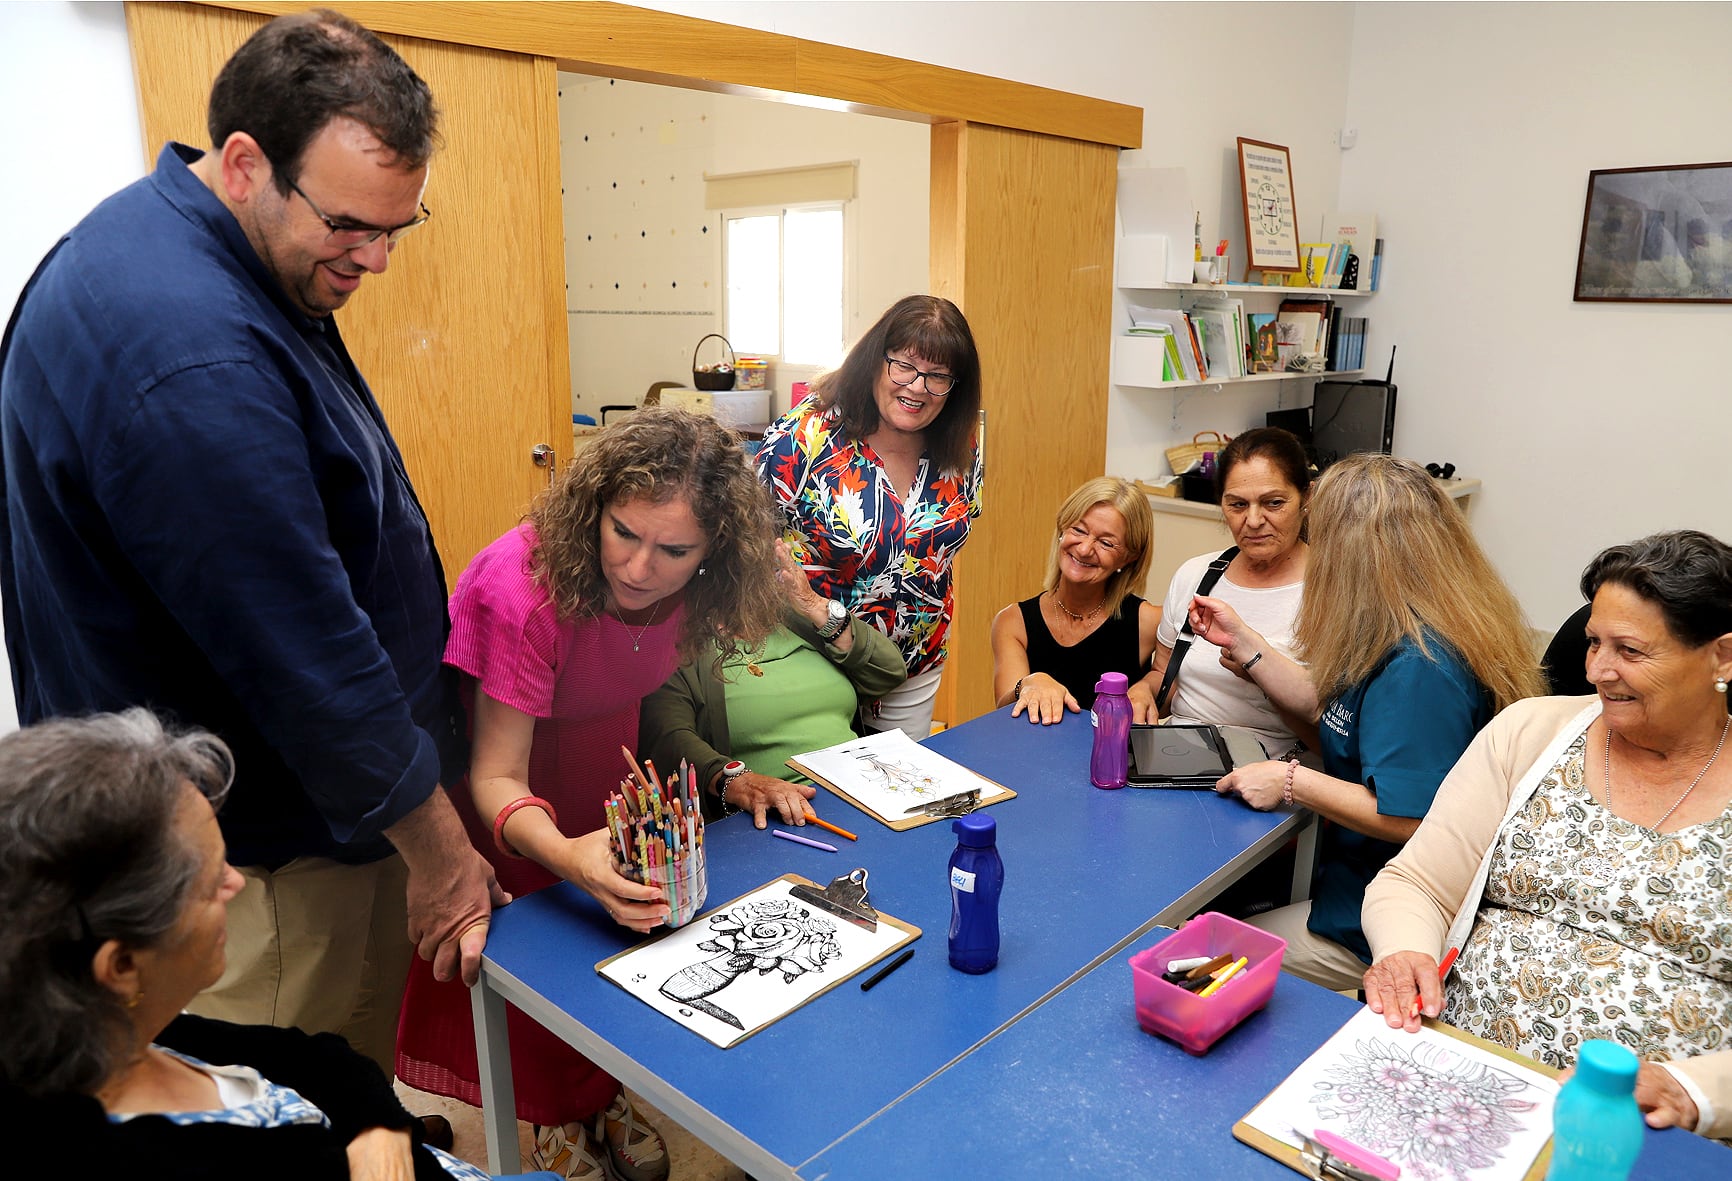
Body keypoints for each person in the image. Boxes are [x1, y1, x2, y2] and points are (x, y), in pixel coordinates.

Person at [0, 9, 501, 1075]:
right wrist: (443, 854)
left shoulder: (164, 243)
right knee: (301, 1097)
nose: (372, 258)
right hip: (271, 870)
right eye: (348, 225)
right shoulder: (189, 352)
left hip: (247, 826)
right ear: (242, 162)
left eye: (395, 229)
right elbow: (306, 651)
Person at [397, 407, 784, 1181]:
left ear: (716, 552)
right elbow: (496, 775)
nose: (640, 568)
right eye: (623, 533)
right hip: (512, 790)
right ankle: (550, 1117)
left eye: (674, 549)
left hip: (605, 766)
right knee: (539, 956)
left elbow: (641, 691)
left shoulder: (707, 592)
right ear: (594, 510)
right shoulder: (527, 590)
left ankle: (602, 1092)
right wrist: (568, 852)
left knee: (611, 947)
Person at [0, 709, 492, 1180]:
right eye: (209, 882)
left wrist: (379, 1128)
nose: (235, 883)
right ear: (123, 964)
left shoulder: (133, 1035)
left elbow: (320, 1056)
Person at [1362, 530, 1732, 1139]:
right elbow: (1418, 882)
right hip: (1451, 1076)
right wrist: (1405, 954)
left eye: (1631, 651)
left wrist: (1690, 1091)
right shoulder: (1530, 732)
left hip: (1638, 1134)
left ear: (1722, 657)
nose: (1598, 671)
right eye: (1593, 642)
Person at [1185, 454, 1543, 990]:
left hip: (1376, 928)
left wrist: (1291, 780)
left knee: (1192, 955)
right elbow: (1335, 716)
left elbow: (1415, 819)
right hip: (1345, 884)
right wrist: (1249, 648)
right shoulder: (1400, 628)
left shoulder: (1421, 670)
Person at [756, 295, 984, 741]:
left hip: (913, 667)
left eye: (938, 376)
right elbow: (745, 547)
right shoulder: (804, 437)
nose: (917, 387)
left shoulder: (963, 445)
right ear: (875, 359)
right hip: (812, 661)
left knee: (897, 798)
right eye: (904, 365)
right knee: (823, 799)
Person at [641, 537, 908, 821]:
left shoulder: (791, 615)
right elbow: (669, 738)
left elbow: (889, 672)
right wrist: (738, 782)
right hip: (791, 810)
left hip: (869, 786)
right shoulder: (676, 640)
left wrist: (814, 604)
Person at [1131, 428, 1314, 758]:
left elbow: (1335, 742)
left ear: (1307, 498)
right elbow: (1163, 673)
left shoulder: (1331, 591)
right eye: (1237, 505)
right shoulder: (1197, 576)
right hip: (1180, 759)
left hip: (1277, 771)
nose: (1254, 520)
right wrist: (1143, 690)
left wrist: (1261, 672)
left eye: (1273, 503)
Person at [990, 477, 1160, 724]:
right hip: (1034, 757)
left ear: (1128, 558)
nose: (1083, 549)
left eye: (1105, 543)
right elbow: (1003, 712)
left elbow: (1171, 688)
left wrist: (1147, 686)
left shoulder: (1148, 621)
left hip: (1115, 761)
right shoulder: (1012, 622)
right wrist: (1029, 683)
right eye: (1079, 530)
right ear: (1062, 529)